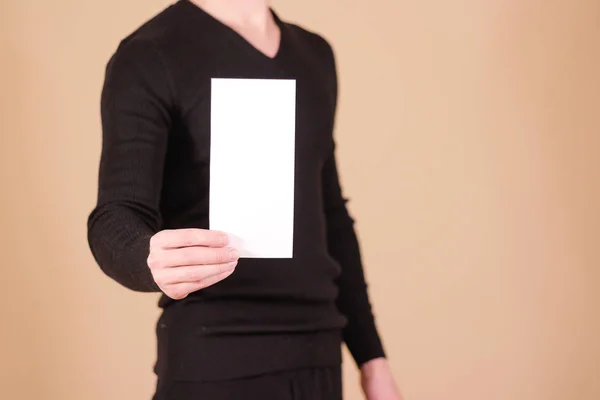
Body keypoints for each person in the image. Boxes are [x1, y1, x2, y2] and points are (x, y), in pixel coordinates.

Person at [87, 0, 403, 398]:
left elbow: (330, 216)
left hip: (318, 357)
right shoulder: (151, 52)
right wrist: (146, 257)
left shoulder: (314, 55)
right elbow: (115, 217)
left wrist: (373, 361)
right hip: (216, 357)